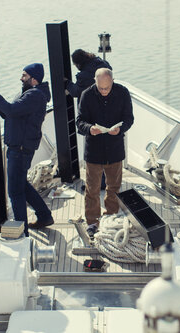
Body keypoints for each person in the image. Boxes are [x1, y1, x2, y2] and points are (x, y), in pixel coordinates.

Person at [0, 63, 54, 233]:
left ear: (34, 79)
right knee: (21, 185)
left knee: (15, 192)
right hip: (21, 147)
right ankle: (44, 216)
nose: (21, 78)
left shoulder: (34, 95)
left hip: (20, 149)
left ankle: (22, 233)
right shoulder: (31, 94)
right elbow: (9, 112)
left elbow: (11, 110)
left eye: (24, 75)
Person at [75, 68, 134, 236]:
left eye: (107, 88)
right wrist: (90, 128)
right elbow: (80, 121)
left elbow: (129, 118)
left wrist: (121, 129)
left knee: (114, 188)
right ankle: (92, 222)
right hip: (94, 151)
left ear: (113, 81)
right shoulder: (86, 95)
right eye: (100, 88)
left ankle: (111, 218)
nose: (104, 91)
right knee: (92, 189)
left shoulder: (123, 93)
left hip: (115, 150)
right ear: (95, 81)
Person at [66, 49, 113, 191]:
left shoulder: (85, 75)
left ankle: (97, 183)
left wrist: (67, 83)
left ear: (78, 63)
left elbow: (76, 91)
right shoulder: (103, 64)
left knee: (93, 153)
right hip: (107, 110)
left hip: (92, 116)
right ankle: (106, 180)